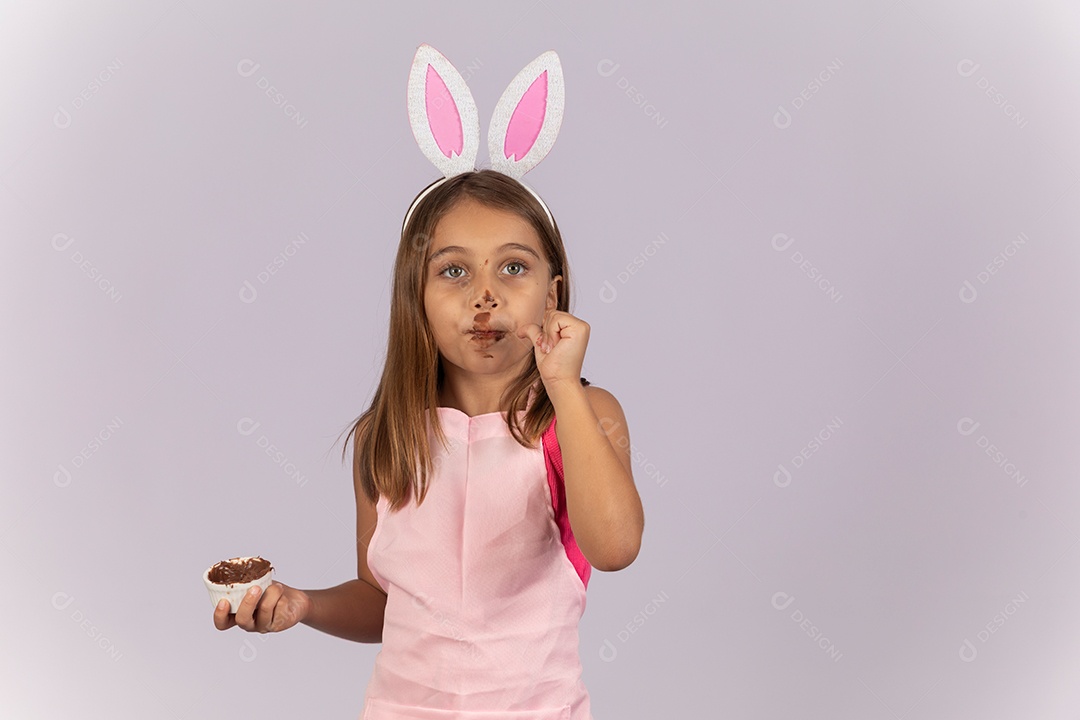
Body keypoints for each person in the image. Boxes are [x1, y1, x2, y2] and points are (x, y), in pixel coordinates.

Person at [213, 44, 644, 719]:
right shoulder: (385, 437)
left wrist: (562, 388)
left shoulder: (579, 415)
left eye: (513, 268)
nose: (484, 297)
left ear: (552, 293)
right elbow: (387, 603)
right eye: (453, 271)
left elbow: (615, 547)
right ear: (415, 293)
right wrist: (303, 606)